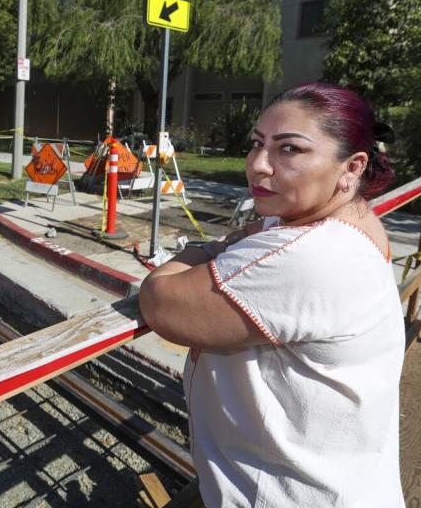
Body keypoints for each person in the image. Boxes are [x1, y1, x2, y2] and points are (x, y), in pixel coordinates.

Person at [140, 82, 404, 507]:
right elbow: (258, 234)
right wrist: (236, 242)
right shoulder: (351, 222)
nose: (258, 165)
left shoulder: (312, 256)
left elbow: (160, 299)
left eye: (290, 150)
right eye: (257, 144)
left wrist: (200, 250)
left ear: (352, 167)